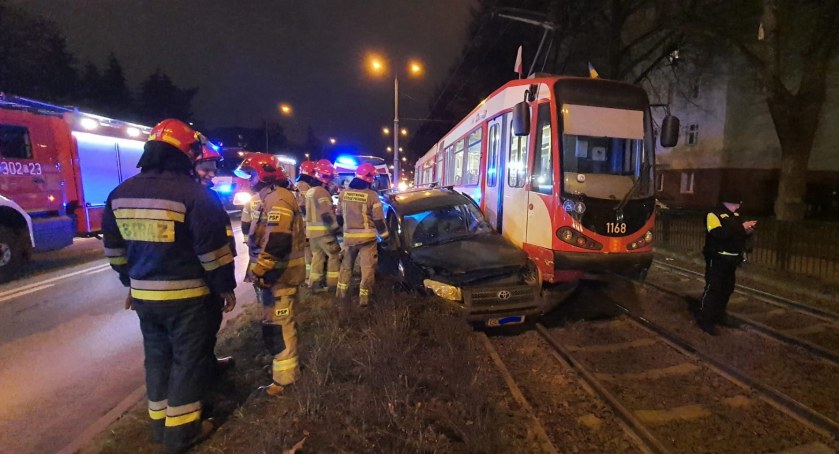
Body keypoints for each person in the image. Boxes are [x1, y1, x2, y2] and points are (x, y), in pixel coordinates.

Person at [102, 119, 237, 452]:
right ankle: (180, 434)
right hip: (189, 297)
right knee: (187, 361)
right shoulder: (194, 195)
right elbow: (213, 253)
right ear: (183, 152)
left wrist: (130, 282)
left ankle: (160, 427)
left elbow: (115, 251)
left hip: (145, 299)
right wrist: (224, 288)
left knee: (158, 358)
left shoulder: (120, 194)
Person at [234, 154, 306, 396]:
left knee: (280, 325)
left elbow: (277, 240)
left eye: (252, 175)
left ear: (263, 174)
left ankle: (285, 381)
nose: (249, 181)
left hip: (280, 277)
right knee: (276, 324)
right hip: (275, 276)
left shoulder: (278, 200)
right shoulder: (270, 198)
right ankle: (282, 371)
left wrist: (260, 268)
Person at [193, 146, 236, 376]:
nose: (211, 174)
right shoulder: (195, 198)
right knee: (200, 330)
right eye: (205, 169)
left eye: (213, 169)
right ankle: (202, 377)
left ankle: (208, 363)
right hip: (201, 276)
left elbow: (224, 235)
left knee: (209, 325)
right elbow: (211, 245)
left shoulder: (208, 196)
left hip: (209, 274)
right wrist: (223, 285)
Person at [697, 192, 757, 335]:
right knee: (714, 289)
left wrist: (747, 232)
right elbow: (718, 233)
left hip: (732, 260)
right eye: (737, 203)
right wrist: (741, 228)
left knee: (727, 289)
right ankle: (706, 320)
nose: (739, 206)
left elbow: (737, 234)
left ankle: (720, 315)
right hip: (717, 259)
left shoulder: (735, 216)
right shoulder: (713, 215)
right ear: (728, 202)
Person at [336, 163, 389, 306]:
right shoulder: (372, 196)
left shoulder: (343, 194)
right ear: (369, 178)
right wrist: (385, 236)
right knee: (367, 269)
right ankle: (364, 300)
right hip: (367, 239)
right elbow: (378, 220)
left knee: (346, 266)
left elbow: (339, 217)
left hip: (349, 238)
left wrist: (345, 229)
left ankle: (341, 296)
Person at [306, 159, 341, 293]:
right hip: (324, 232)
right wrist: (335, 228)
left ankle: (314, 284)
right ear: (325, 176)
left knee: (317, 256)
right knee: (334, 255)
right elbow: (326, 214)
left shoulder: (311, 191)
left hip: (312, 233)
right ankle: (332, 284)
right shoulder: (321, 192)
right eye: (331, 176)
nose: (332, 179)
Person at [295, 160, 317, 279]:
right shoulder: (303, 185)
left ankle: (307, 275)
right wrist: (309, 218)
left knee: (307, 249)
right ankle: (308, 276)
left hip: (303, 222)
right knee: (307, 249)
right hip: (304, 223)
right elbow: (303, 204)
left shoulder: (301, 183)